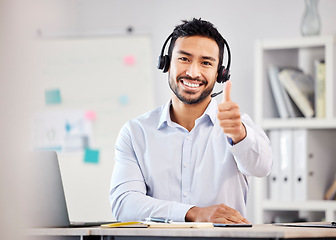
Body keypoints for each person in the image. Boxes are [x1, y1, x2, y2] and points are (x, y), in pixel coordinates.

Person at [110, 18, 272, 224]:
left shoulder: (237, 126)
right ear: (166, 64)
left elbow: (263, 167)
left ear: (220, 73)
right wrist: (193, 213)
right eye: (184, 59)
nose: (193, 72)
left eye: (206, 63)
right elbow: (124, 204)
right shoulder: (136, 132)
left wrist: (239, 135)